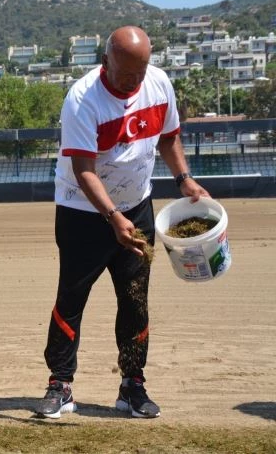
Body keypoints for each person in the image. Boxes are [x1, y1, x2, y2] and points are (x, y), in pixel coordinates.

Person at [36, 26, 210, 420]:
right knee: (72, 297)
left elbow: (169, 138)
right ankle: (59, 384)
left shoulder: (159, 83)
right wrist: (112, 216)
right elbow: (84, 170)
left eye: (141, 72)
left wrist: (184, 178)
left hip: (137, 206)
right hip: (83, 212)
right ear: (106, 62)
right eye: (126, 73)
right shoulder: (83, 100)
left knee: (135, 299)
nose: (135, 82)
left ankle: (133, 385)